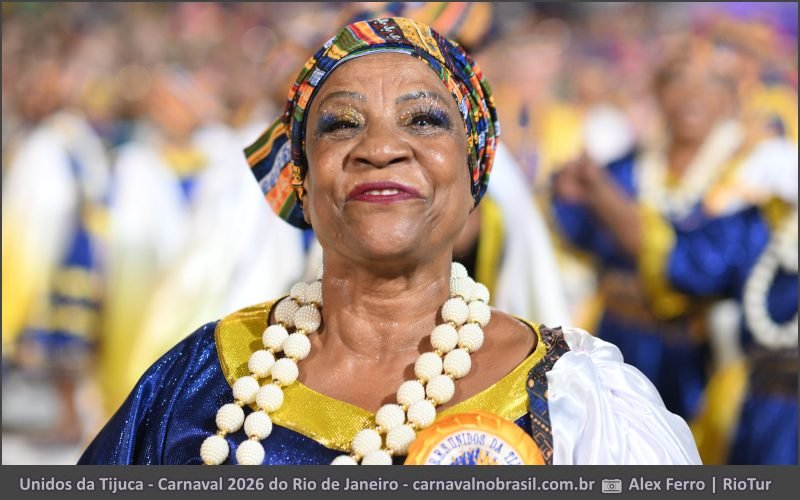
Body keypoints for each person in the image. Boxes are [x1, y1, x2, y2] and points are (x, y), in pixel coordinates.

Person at [79, 17, 700, 465]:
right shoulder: (200, 380)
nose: (379, 148)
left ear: (473, 173)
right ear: (302, 180)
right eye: (341, 124)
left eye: (423, 120)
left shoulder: (579, 400)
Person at [550, 36, 744, 421]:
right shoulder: (628, 168)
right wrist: (565, 188)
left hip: (693, 366)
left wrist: (603, 195)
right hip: (617, 346)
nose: (692, 95)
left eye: (710, 82)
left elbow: (696, 270)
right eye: (677, 79)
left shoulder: (742, 182)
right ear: (657, 90)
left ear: (729, 96)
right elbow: (579, 233)